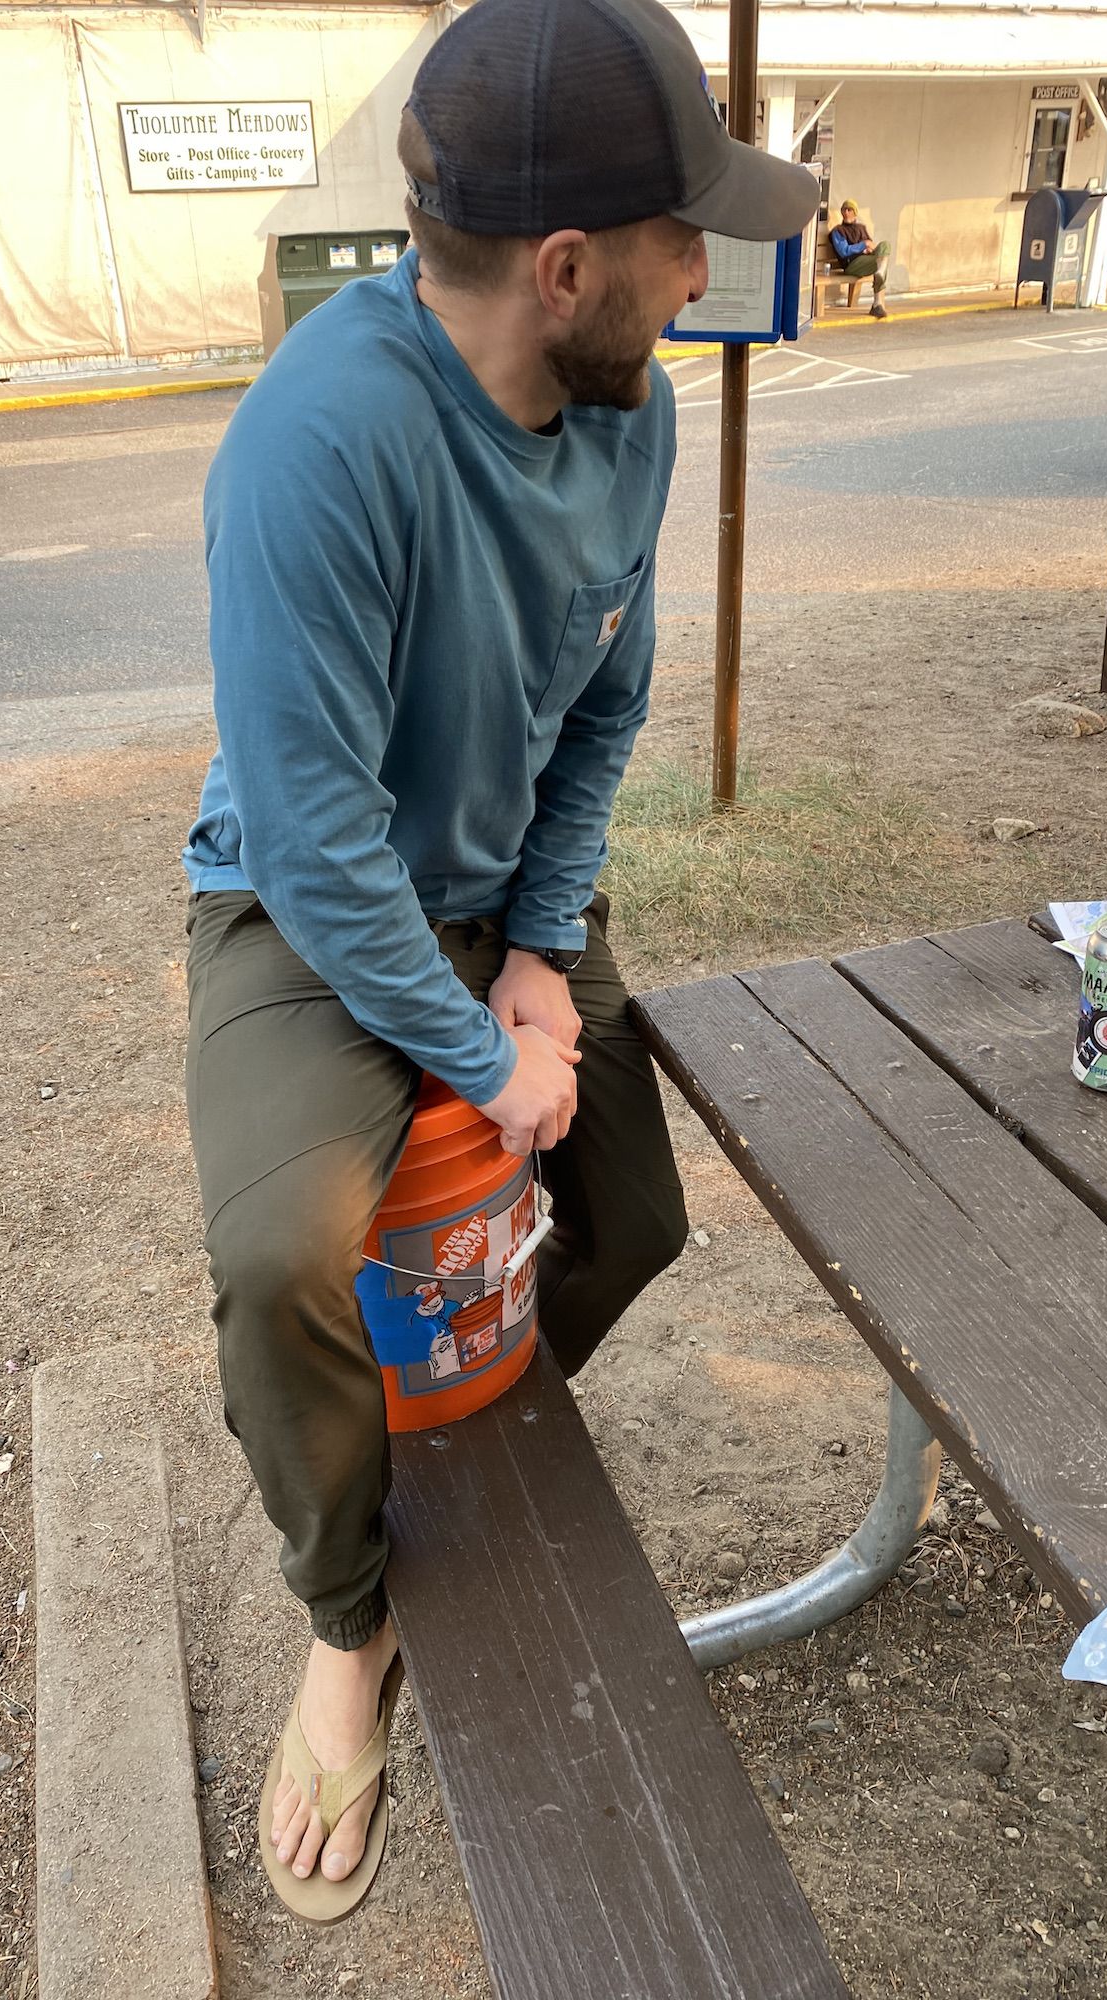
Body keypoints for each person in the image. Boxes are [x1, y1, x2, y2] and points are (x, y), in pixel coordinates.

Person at [181, 0, 818, 1928]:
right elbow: (313, 840)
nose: (704, 271)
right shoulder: (317, 442)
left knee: (632, 1222)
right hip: (308, 913)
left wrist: (545, 957)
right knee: (282, 1258)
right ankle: (350, 1612)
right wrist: (475, 1049)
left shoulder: (636, 408)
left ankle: (449, 1428)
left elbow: (605, 704)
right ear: (566, 269)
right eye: (679, 236)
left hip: (493, 913)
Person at [828, 199, 891, 318]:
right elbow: (844, 251)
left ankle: (880, 274)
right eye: (844, 209)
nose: (846, 212)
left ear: (855, 212)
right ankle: (878, 303)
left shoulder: (861, 228)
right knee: (882, 263)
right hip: (852, 264)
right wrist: (863, 245)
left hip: (866, 259)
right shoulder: (838, 231)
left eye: (849, 209)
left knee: (885, 246)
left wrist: (869, 247)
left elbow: (871, 245)